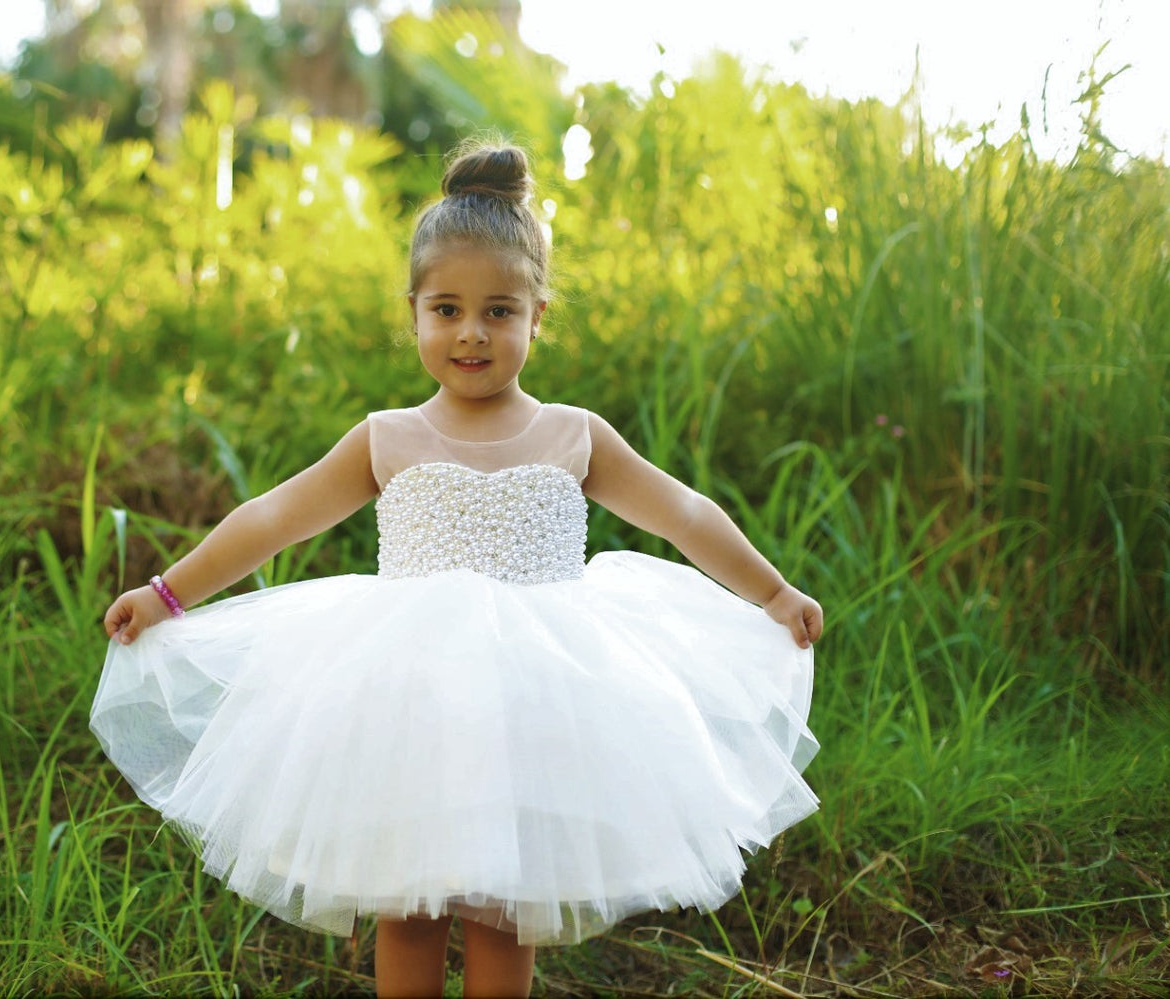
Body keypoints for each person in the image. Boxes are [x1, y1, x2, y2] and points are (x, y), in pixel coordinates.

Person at [92, 141, 823, 998]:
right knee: (409, 895)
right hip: (411, 697)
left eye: (499, 311)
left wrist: (771, 589)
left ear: (538, 315)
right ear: (413, 313)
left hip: (539, 696)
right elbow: (273, 518)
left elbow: (686, 511)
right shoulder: (388, 437)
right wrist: (168, 590)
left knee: (504, 896)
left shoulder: (573, 434)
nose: (471, 331)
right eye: (446, 308)